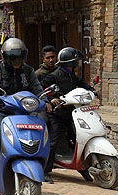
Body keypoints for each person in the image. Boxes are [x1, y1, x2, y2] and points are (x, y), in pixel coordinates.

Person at [0, 38, 52, 167]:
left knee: (42, 126)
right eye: (13, 57)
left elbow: (37, 89)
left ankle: (43, 165)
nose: (16, 61)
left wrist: (45, 101)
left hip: (23, 113)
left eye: (20, 57)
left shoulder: (28, 71)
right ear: (5, 56)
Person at [41, 47, 95, 184]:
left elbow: (80, 82)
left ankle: (82, 167)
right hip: (56, 113)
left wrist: (92, 90)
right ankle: (45, 171)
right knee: (53, 141)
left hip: (71, 112)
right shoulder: (55, 75)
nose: (77, 62)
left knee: (78, 137)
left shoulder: (71, 74)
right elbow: (42, 88)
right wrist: (51, 98)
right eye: (75, 60)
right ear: (69, 62)